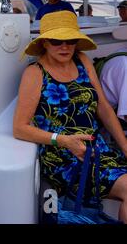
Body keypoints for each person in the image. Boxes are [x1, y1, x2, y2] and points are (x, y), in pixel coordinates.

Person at [13, 11, 127, 223]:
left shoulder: (82, 60)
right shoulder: (35, 73)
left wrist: (125, 146)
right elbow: (20, 127)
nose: (64, 47)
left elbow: (103, 108)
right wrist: (64, 141)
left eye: (70, 40)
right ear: (45, 42)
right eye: (57, 41)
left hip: (96, 149)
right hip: (63, 158)